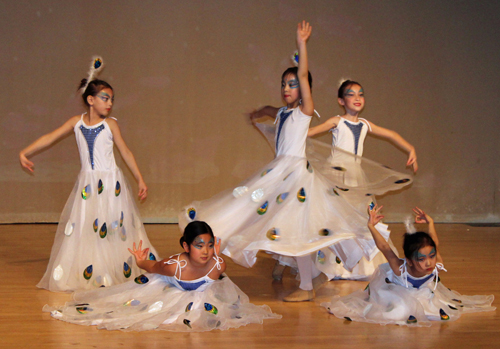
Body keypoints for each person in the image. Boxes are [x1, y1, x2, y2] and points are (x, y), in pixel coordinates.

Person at [179, 21, 385, 302]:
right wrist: (256, 113)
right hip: (278, 174)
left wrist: (302, 44)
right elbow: (269, 109)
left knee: (296, 226)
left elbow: (302, 74)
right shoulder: (283, 113)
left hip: (297, 176)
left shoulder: (304, 112)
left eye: (293, 84)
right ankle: (280, 266)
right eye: (283, 84)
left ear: (303, 90)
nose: (287, 88)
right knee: (254, 210)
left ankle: (306, 287)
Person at [19, 57, 158, 292]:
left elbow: (126, 152)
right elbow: (50, 137)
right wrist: (26, 151)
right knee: (86, 226)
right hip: (88, 185)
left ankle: (117, 268)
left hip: (111, 184)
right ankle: (93, 270)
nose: (109, 103)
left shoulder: (111, 125)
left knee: (114, 227)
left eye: (112, 99)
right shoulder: (76, 123)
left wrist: (140, 179)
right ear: (90, 100)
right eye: (105, 98)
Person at [278, 80, 418, 281]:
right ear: (341, 101)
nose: (358, 98)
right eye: (351, 94)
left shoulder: (364, 124)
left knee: (360, 220)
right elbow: (308, 133)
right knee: (332, 219)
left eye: (361, 94)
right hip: (336, 176)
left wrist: (410, 148)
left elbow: (391, 134)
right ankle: (328, 265)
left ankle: (355, 265)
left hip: (355, 179)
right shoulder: (337, 121)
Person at [43, 221, 281, 332]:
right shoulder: (174, 265)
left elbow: (216, 262)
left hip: (201, 294)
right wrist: (139, 261)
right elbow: (154, 266)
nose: (206, 251)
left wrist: (216, 256)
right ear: (186, 247)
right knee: (130, 310)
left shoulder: (217, 265)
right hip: (169, 287)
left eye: (209, 245)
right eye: (199, 246)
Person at [322, 205, 496, 326]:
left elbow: (434, 242)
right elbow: (384, 248)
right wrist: (371, 227)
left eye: (432, 256)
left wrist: (431, 223)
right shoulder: (400, 268)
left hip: (420, 290)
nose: (429, 262)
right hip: (395, 288)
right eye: (422, 259)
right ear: (410, 261)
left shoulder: (436, 264)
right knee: (398, 312)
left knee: (435, 311)